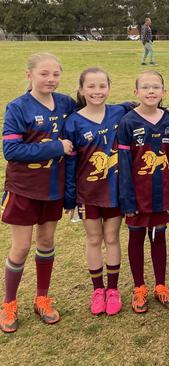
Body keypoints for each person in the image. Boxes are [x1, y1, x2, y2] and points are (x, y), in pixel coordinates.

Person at [0, 52, 76, 333]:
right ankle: (8, 303)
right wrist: (57, 147)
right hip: (23, 189)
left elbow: (97, 105)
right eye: (44, 74)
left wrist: (135, 105)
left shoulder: (66, 103)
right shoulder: (18, 107)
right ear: (29, 74)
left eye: (55, 74)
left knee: (46, 242)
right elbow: (11, 150)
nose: (51, 79)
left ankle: (42, 298)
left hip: (53, 188)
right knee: (20, 248)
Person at [63, 67, 130, 316]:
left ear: (109, 87)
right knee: (93, 239)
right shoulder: (73, 122)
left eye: (102, 86)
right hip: (88, 193)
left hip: (115, 190)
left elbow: (146, 107)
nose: (97, 91)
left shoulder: (119, 112)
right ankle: (97, 289)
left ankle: (112, 290)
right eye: (91, 87)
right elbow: (70, 164)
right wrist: (70, 198)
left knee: (112, 238)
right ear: (81, 90)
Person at [117, 70, 169, 314]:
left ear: (164, 92)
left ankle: (161, 286)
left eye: (156, 87)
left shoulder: (167, 120)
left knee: (159, 236)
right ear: (136, 92)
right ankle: (139, 287)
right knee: (136, 237)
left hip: (161, 193)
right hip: (137, 195)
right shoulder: (128, 122)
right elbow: (123, 163)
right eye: (145, 87)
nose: (151, 91)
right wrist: (127, 198)